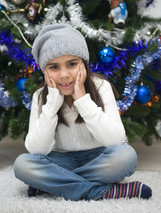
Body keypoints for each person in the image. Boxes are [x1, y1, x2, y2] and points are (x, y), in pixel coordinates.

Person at [14, 24, 152, 201]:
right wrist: (52, 105)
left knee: (126, 156)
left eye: (71, 64)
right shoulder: (40, 97)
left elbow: (116, 140)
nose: (64, 75)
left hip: (98, 157)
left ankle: (55, 185)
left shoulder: (101, 86)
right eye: (54, 67)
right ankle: (101, 191)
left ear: (84, 64)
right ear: (44, 70)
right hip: (61, 161)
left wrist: (82, 100)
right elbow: (36, 150)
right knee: (23, 165)